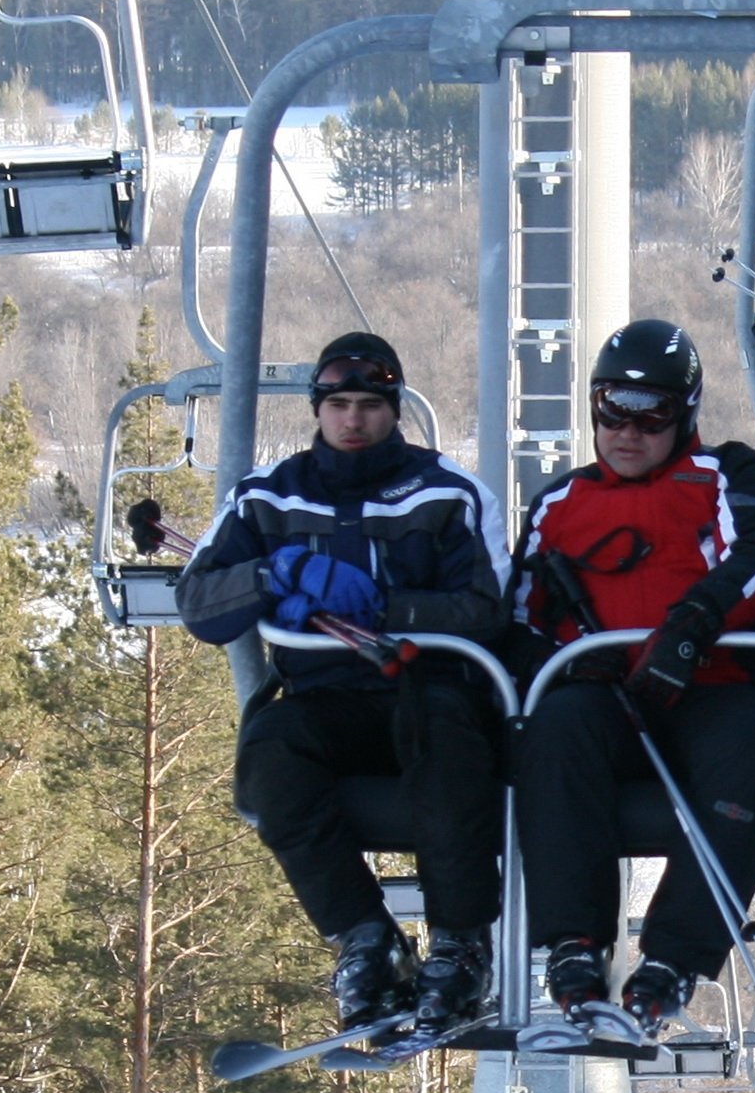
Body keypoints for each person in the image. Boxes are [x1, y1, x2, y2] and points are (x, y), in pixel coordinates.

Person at [175, 332, 511, 1035]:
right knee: (271, 755)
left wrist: (386, 608)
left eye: (368, 406)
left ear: (394, 411)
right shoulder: (267, 498)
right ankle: (364, 936)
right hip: (327, 695)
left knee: (449, 751)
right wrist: (271, 575)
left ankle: (458, 942)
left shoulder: (445, 494)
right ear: (317, 410)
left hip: (426, 686)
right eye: (338, 405)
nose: (352, 421)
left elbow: (487, 610)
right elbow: (199, 602)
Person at [503, 320, 755, 1050]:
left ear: (686, 414)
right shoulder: (560, 505)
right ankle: (574, 947)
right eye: (613, 409)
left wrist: (694, 623)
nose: (629, 431)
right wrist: (570, 660)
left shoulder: (726, 475)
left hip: (710, 684)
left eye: (652, 414)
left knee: (750, 749)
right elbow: (517, 616)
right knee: (555, 730)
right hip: (606, 693)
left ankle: (671, 958)